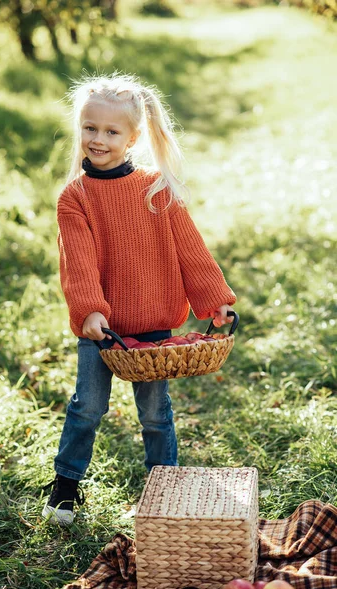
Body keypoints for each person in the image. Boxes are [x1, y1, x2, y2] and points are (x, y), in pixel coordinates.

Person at [42, 73, 236, 525]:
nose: (98, 139)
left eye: (111, 131)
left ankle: (164, 487)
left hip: (151, 327)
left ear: (132, 137)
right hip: (101, 330)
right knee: (87, 407)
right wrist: (90, 308)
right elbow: (79, 260)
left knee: (155, 414)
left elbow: (191, 251)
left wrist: (215, 301)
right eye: (90, 128)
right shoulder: (76, 197)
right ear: (80, 129)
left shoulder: (156, 190)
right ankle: (66, 487)